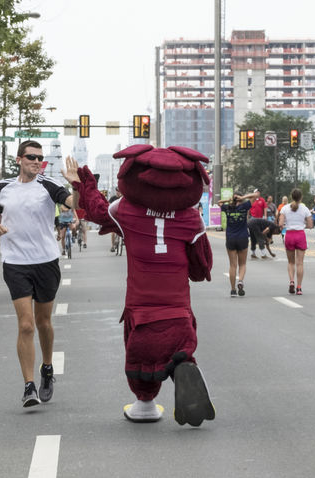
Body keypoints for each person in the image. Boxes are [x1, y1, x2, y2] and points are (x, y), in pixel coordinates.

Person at [65, 145, 215, 427]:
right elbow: (201, 267)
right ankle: (183, 363)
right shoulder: (191, 219)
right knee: (179, 344)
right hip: (178, 309)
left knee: (141, 360)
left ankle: (144, 403)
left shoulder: (125, 210)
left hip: (142, 308)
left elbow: (96, 211)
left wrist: (83, 182)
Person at [0, 140, 78, 408]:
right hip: (15, 262)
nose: (37, 162)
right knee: (25, 324)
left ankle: (46, 367)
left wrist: (76, 185)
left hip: (45, 261)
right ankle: (29, 386)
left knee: (43, 323)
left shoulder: (48, 186)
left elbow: (73, 204)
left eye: (41, 159)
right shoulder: (3, 187)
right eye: (32, 157)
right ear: (19, 159)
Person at [218, 191, 256, 296]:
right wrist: (243, 197)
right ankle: (240, 281)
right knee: (242, 264)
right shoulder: (244, 206)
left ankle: (233, 289)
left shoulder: (227, 208)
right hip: (243, 237)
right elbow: (256, 195)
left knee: (232, 265)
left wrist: (230, 200)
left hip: (230, 238)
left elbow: (219, 202)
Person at [279, 189, 313, 295]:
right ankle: (299, 287)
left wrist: (284, 226)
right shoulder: (305, 209)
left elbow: (280, 224)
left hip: (289, 234)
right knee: (300, 263)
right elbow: (310, 225)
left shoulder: (284, 208)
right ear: (301, 197)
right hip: (300, 235)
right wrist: (303, 225)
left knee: (291, 262)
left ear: (291, 197)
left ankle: (291, 281)